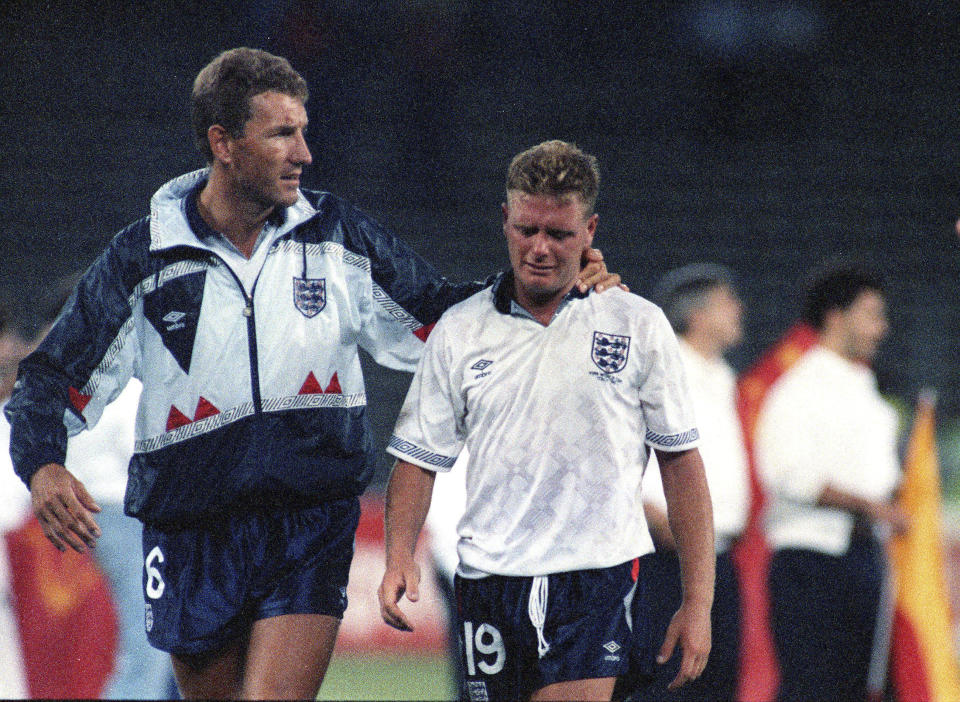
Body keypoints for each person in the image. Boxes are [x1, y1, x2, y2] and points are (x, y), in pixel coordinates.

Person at [4, 48, 618, 700]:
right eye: (281, 134)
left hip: (308, 521)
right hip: (189, 531)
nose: (304, 152)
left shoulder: (338, 238)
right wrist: (42, 465)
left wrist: (541, 294)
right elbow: (48, 380)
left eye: (304, 131)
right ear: (224, 143)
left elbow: (440, 318)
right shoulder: (141, 260)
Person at [378, 140, 715, 702]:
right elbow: (417, 460)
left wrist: (696, 601)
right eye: (527, 229)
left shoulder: (636, 324)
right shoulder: (460, 330)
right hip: (488, 581)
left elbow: (681, 464)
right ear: (505, 220)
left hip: (595, 578)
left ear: (590, 231)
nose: (539, 248)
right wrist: (397, 556)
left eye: (558, 234)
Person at [754, 261, 907, 701]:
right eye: (872, 314)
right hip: (812, 562)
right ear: (837, 317)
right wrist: (872, 506)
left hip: (863, 556)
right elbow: (788, 476)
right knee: (812, 689)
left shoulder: (866, 388)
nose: (882, 327)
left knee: (860, 688)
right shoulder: (797, 388)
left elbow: (881, 476)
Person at [621, 264, 750, 702]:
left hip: (719, 557)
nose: (739, 310)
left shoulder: (727, 378)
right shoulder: (659, 368)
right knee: (666, 681)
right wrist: (654, 516)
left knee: (717, 682)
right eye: (727, 301)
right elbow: (618, 453)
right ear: (697, 315)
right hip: (664, 558)